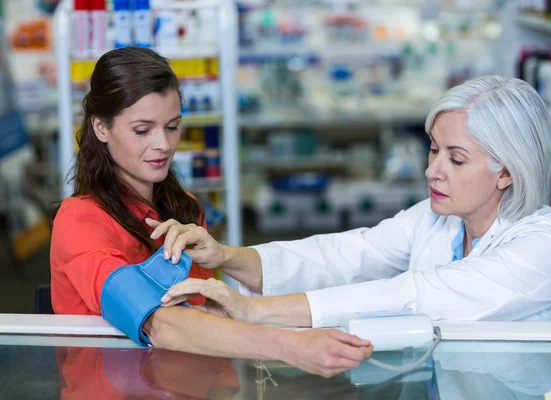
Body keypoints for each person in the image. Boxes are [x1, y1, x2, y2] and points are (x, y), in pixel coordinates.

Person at [156, 76, 551, 329]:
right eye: (433, 150)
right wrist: (225, 255)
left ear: (507, 171)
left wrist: (256, 311)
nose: (433, 170)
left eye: (457, 158)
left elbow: (413, 295)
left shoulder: (545, 242)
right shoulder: (437, 220)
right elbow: (344, 255)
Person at [50, 47, 373, 378]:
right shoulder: (80, 220)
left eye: (172, 126)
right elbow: (155, 322)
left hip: (186, 382)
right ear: (101, 128)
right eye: (142, 130)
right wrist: (291, 346)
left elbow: (207, 311)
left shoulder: (182, 208)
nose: (163, 144)